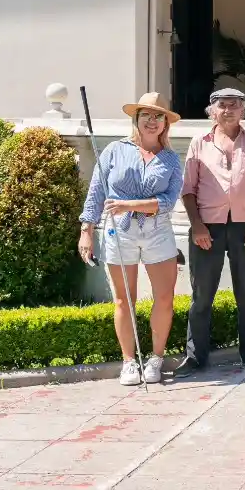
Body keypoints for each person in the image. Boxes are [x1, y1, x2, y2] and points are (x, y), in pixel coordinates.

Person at [78, 92, 184, 387]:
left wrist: (130, 205)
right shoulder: (114, 150)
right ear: (136, 120)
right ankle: (128, 361)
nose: (152, 121)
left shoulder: (171, 160)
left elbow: (167, 201)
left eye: (158, 116)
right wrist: (86, 231)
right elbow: (97, 192)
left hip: (157, 232)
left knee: (164, 298)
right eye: (146, 115)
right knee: (124, 299)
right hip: (119, 232)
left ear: (165, 123)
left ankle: (156, 358)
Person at [174, 87, 245, 377]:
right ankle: (195, 357)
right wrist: (197, 226)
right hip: (208, 226)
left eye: (235, 105)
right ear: (211, 111)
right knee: (202, 295)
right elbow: (188, 190)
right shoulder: (199, 142)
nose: (228, 110)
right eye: (222, 105)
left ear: (244, 110)